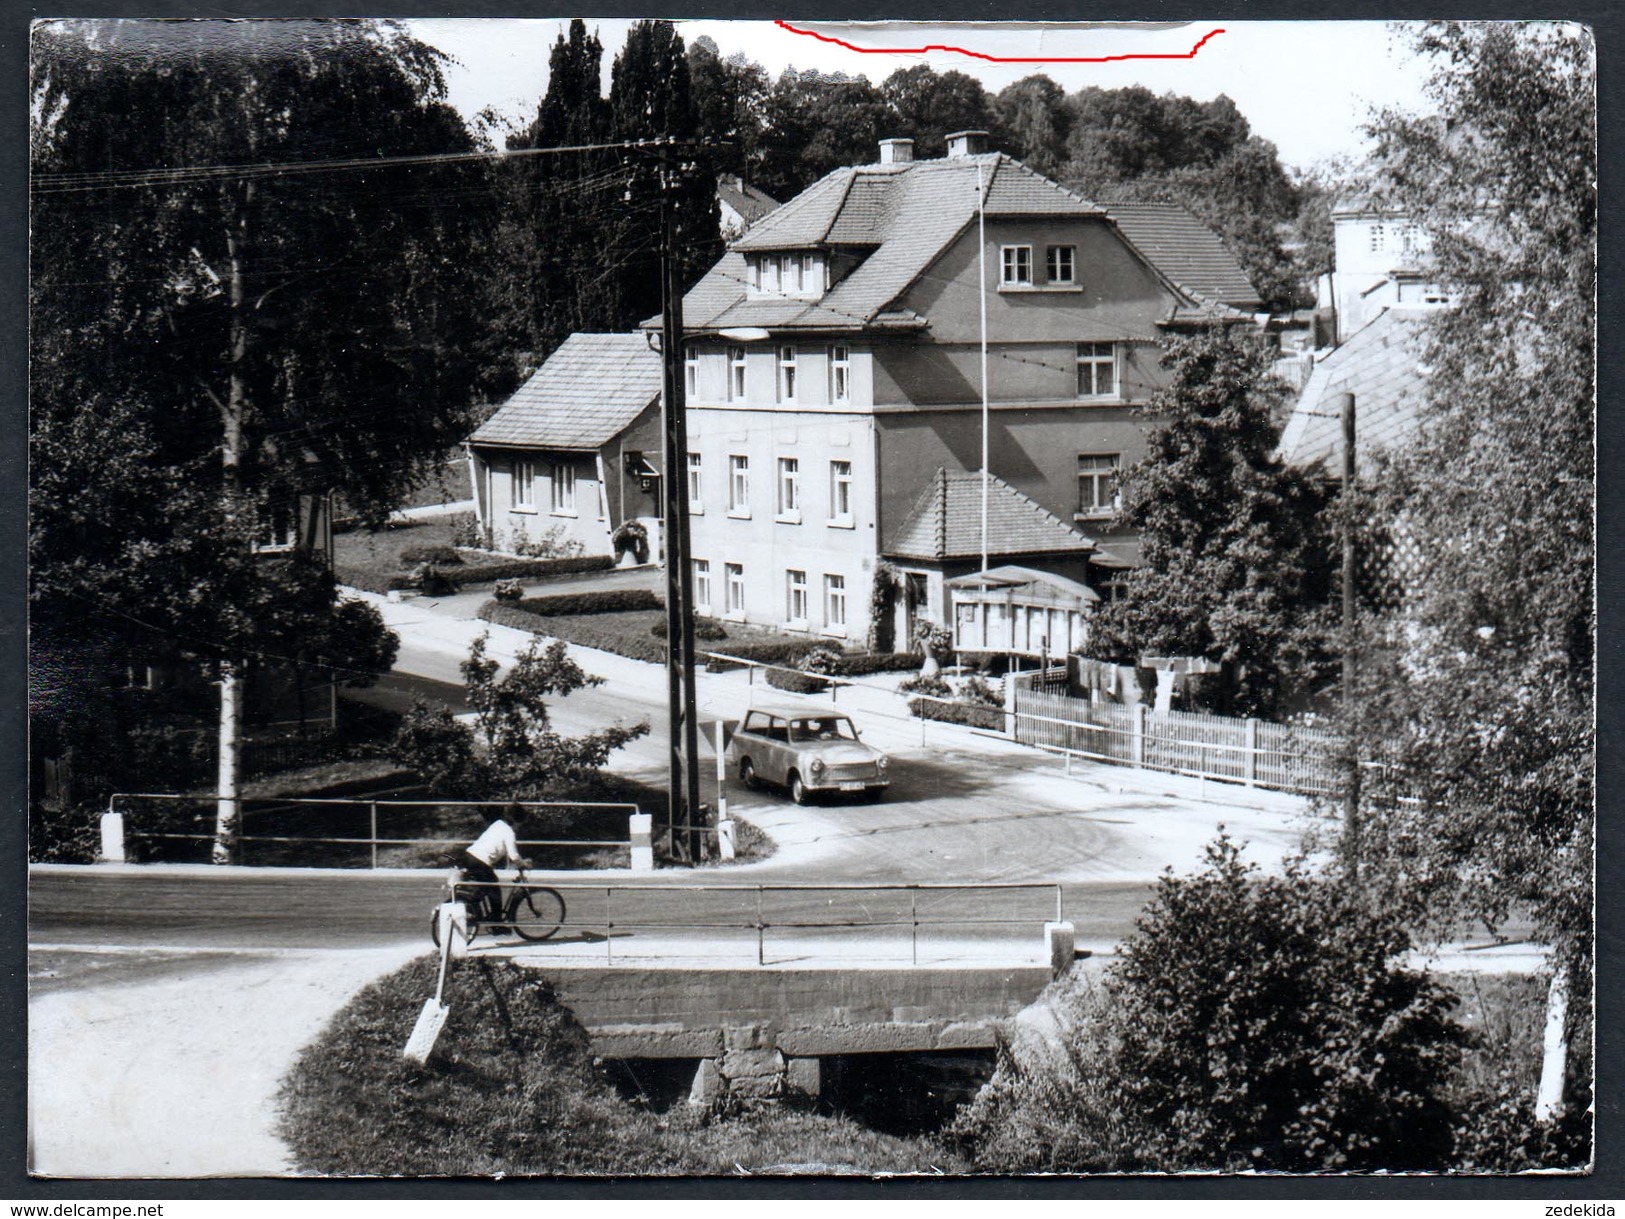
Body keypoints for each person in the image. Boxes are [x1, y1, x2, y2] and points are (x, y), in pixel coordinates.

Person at [460, 806, 530, 923]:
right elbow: (513, 856)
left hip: (469, 856)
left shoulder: (498, 824)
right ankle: (496, 922)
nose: (520, 827)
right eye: (521, 824)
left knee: (486, 886)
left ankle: (474, 907)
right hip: (480, 861)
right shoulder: (509, 833)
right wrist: (524, 864)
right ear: (517, 821)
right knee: (494, 888)